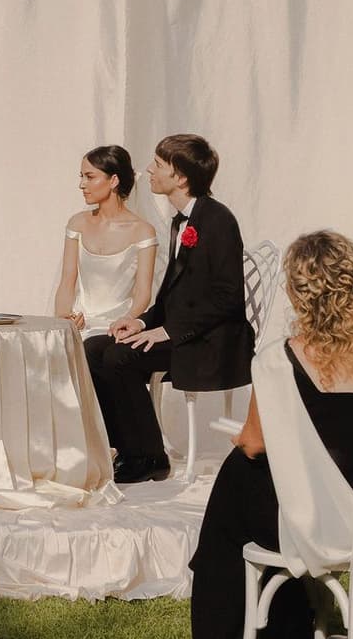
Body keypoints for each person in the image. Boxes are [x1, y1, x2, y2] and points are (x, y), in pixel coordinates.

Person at [183, 231, 353, 639]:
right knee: (247, 481)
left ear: (299, 292)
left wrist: (243, 438)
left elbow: (256, 444)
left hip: (311, 523)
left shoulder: (282, 357)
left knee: (237, 476)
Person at [84, 135, 255, 484]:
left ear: (181, 177)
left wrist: (168, 331)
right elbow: (169, 298)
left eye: (159, 165)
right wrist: (140, 321)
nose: (149, 170)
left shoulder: (218, 221)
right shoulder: (182, 221)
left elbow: (228, 298)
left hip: (211, 343)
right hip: (187, 332)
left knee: (120, 359)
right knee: (93, 348)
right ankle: (127, 447)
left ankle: (150, 457)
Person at [52, 145, 158, 333]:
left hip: (117, 326)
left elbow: (143, 292)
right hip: (78, 322)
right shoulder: (77, 223)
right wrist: (63, 318)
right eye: (81, 176)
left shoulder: (142, 232)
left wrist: (127, 320)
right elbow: (67, 280)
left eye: (90, 177)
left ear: (114, 180)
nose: (82, 184)